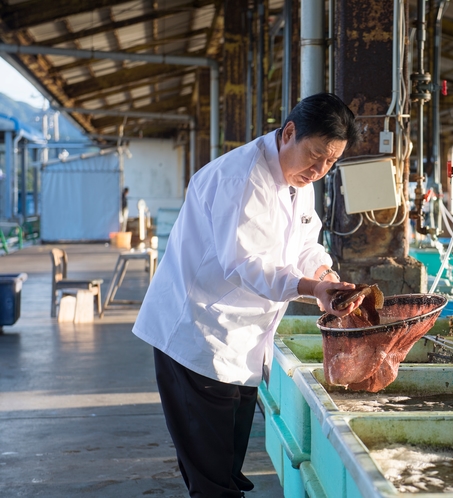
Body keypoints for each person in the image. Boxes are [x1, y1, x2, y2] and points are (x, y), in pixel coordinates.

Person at [132, 93, 364, 497]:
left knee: (227, 466)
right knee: (213, 479)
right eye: (315, 156)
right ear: (288, 132)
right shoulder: (241, 177)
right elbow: (243, 263)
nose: (320, 170)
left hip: (241, 342)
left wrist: (325, 274)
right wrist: (313, 289)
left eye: (331, 162)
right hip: (197, 337)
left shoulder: (298, 181)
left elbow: (305, 243)